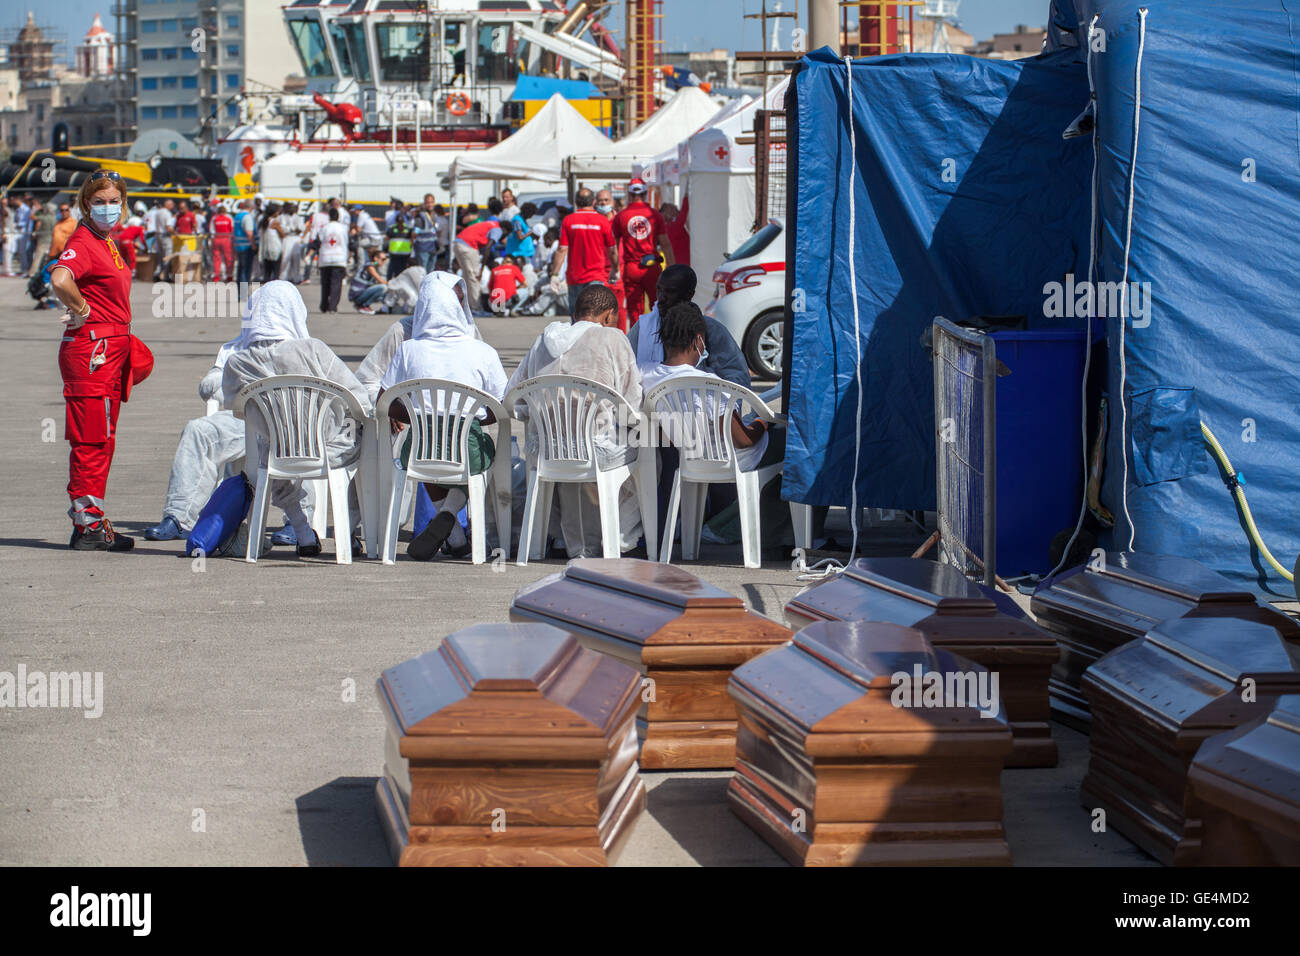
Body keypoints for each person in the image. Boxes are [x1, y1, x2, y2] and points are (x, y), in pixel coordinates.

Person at [221, 281, 372, 557]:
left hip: (275, 451)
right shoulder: (314, 350)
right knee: (370, 437)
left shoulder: (238, 363)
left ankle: (302, 529)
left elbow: (235, 406)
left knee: (267, 443)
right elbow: (359, 399)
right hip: (328, 449)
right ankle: (349, 528)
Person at [377, 273, 508, 560]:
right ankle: (451, 514)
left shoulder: (408, 349)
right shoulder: (482, 351)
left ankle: (456, 538)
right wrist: (473, 420)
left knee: (430, 452)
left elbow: (383, 401)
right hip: (467, 449)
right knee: (479, 453)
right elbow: (503, 405)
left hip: (418, 449)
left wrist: (422, 419)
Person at [507, 284, 643, 557]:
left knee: (567, 461)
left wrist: (549, 419)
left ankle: (564, 539)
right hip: (594, 452)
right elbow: (632, 409)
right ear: (607, 317)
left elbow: (514, 400)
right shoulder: (613, 338)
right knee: (650, 451)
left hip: (545, 451)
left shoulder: (542, 341)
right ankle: (623, 540)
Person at [48, 169, 140, 550]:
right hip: (92, 353)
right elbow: (59, 278)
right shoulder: (85, 240)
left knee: (102, 439)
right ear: (86, 204)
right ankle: (87, 525)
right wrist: (83, 308)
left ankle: (92, 520)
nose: (108, 208)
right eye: (99, 202)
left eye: (114, 201)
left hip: (108, 351)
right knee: (92, 439)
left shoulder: (106, 241)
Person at [628, 264, 750, 387]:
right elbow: (626, 370)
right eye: (659, 290)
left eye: (670, 292)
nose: (661, 298)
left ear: (689, 294)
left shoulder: (712, 330)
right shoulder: (643, 328)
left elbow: (737, 378)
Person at [550, 188, 616, 318]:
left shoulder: (568, 220)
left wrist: (555, 274)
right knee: (596, 316)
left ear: (576, 202)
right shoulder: (602, 221)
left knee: (577, 317)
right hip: (596, 275)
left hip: (575, 277)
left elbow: (562, 249)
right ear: (594, 201)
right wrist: (616, 269)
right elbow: (612, 249)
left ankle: (578, 338)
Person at [614, 178, 674, 319]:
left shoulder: (621, 216)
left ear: (629, 194)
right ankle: (659, 337)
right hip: (651, 266)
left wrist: (615, 268)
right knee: (658, 306)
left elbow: (614, 247)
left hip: (631, 268)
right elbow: (665, 243)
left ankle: (637, 339)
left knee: (634, 310)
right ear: (646, 193)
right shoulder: (655, 215)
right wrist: (671, 265)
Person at [453, 197, 503, 312]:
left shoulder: (488, 222)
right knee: (474, 276)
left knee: (467, 276)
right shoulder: (498, 229)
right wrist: (482, 269)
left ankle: (466, 306)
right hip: (468, 246)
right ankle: (476, 307)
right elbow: (488, 248)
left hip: (458, 243)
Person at [317, 207, 349, 312]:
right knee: (336, 284)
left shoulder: (324, 228)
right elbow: (347, 242)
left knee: (325, 284)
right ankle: (332, 306)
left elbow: (319, 241)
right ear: (338, 217)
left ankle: (324, 305)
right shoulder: (343, 228)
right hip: (339, 258)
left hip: (325, 258)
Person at [27, 200, 56, 278]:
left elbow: (32, 217)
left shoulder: (44, 217)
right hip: (52, 239)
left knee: (38, 257)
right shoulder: (55, 218)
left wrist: (37, 209)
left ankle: (32, 273)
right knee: (48, 258)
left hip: (43, 240)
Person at [233, 200, 257, 284]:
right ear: (251, 207)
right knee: (246, 270)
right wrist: (254, 245)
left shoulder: (237, 216)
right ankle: (243, 293)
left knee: (240, 269)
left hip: (238, 245)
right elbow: (249, 233)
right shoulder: (247, 217)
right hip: (247, 247)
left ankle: (240, 292)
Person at [209, 204, 235, 282]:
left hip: (216, 239)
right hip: (226, 239)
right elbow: (232, 229)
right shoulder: (229, 218)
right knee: (228, 258)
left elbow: (211, 230)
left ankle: (216, 277)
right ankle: (229, 276)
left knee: (216, 258)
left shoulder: (214, 218)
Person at [385, 209, 413, 277]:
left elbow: (386, 239)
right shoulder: (408, 229)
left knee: (398, 271)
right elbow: (412, 240)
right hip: (400, 254)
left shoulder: (392, 228)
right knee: (399, 271)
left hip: (400, 254)